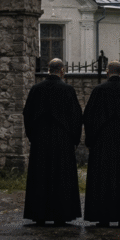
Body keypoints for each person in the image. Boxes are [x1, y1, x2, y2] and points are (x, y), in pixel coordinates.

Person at [22, 58, 83, 226]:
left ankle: (39, 214)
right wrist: (75, 139)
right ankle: (61, 214)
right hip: (62, 139)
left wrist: (32, 135)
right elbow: (76, 116)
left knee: (40, 175)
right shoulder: (67, 89)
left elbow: (27, 113)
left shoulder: (36, 89)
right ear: (62, 71)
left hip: (41, 139)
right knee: (61, 176)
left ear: (48, 70)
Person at [83, 60, 120, 227]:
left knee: (103, 177)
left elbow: (88, 117)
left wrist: (90, 140)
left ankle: (103, 218)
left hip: (102, 140)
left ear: (107, 72)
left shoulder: (98, 90)